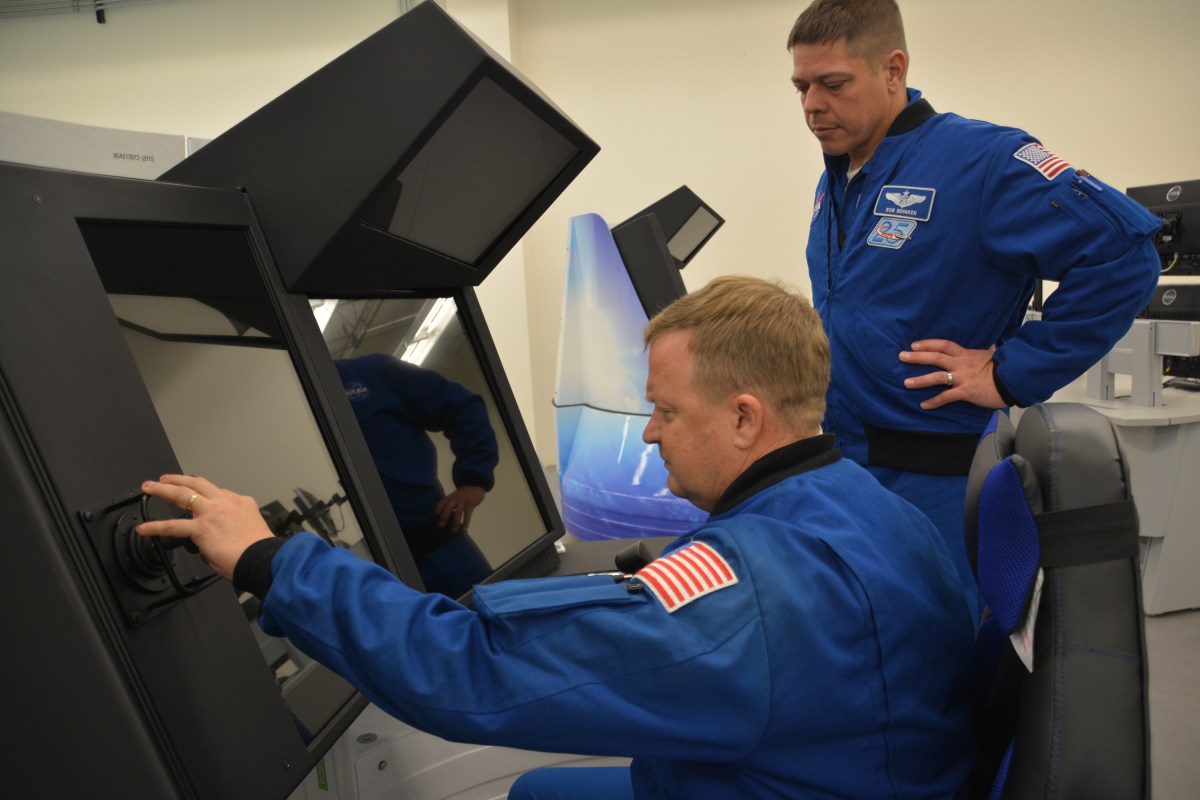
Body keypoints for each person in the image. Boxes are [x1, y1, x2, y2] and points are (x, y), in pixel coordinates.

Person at [138, 276, 976, 799]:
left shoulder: (745, 595)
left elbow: (472, 673)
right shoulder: (875, 506)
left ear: (746, 418)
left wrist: (270, 559)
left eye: (667, 410)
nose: (650, 434)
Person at [788, 0, 1162, 616]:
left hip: (937, 480)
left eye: (832, 84)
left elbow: (1124, 254)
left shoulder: (981, 161)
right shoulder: (840, 175)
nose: (811, 106)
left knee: (939, 662)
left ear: (892, 69)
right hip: (852, 466)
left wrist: (1010, 371)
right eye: (802, 87)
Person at [336, 353, 498, 597]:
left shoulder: (370, 372)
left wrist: (474, 481)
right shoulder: (296, 401)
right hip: (376, 571)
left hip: (440, 542)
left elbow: (463, 407)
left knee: (497, 617)